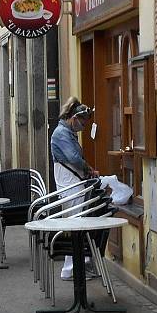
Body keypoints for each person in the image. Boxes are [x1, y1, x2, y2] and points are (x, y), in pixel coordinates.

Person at [50, 97, 98, 281]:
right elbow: (74, 158)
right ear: (74, 117)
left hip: (72, 182)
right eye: (82, 122)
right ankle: (71, 268)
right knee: (76, 223)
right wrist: (89, 169)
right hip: (70, 184)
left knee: (78, 222)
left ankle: (78, 264)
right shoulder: (62, 134)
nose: (83, 126)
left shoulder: (67, 132)